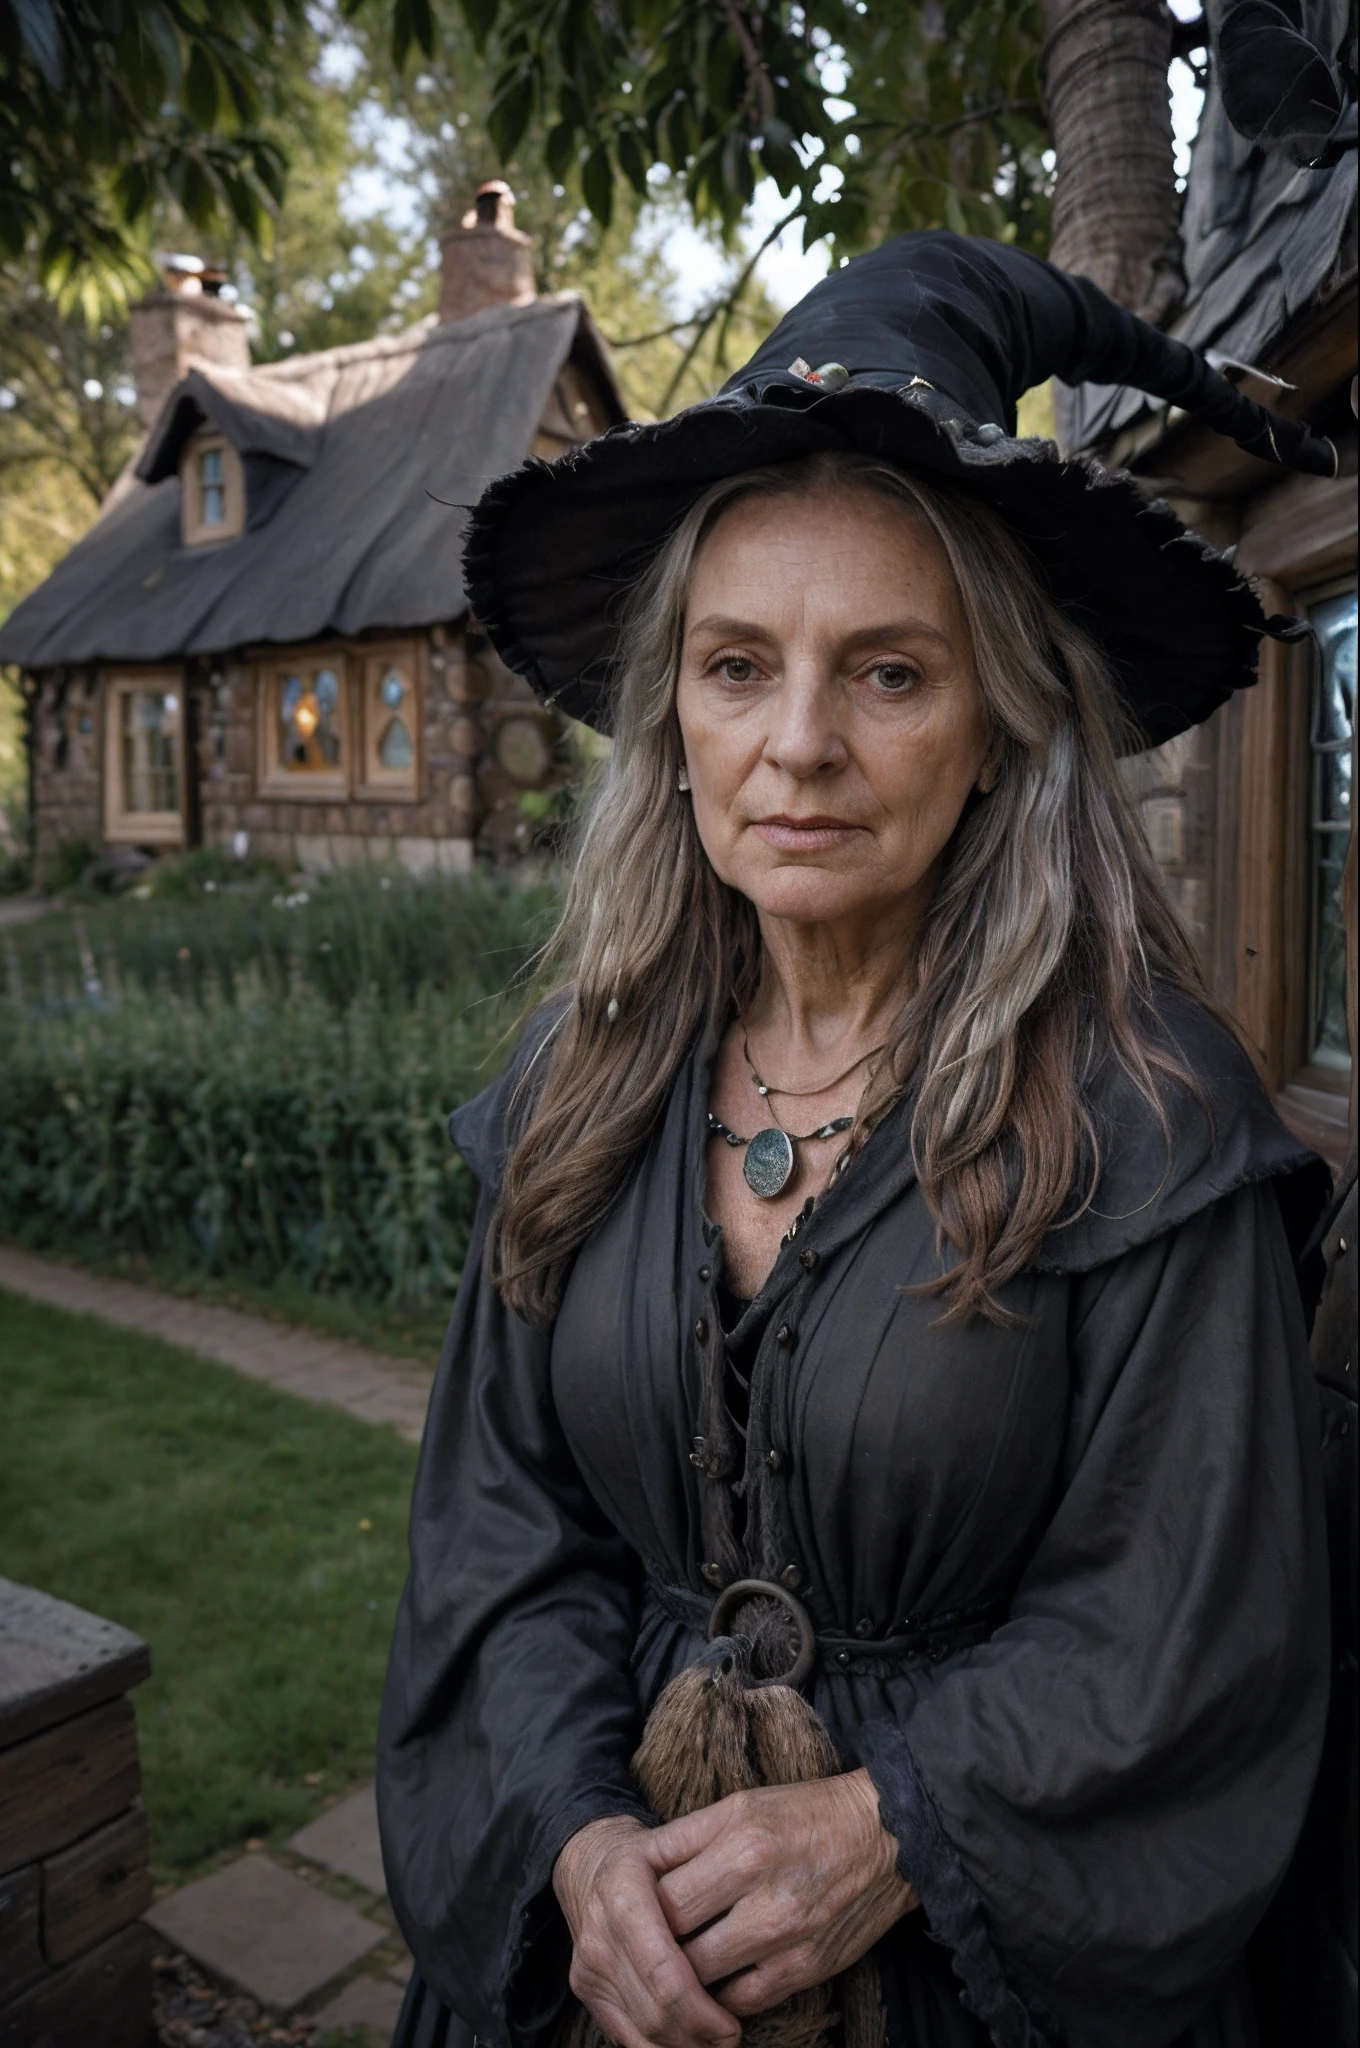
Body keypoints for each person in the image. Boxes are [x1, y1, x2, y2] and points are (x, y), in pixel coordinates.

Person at [378, 232, 1337, 2048]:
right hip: (619, 1972)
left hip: (980, 1968)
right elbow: (497, 1540)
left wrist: (894, 1829)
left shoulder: (1145, 1112)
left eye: (888, 674)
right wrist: (581, 1845)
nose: (799, 745)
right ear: (674, 723)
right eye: (741, 667)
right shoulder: (583, 1094)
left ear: (998, 732)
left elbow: (1191, 1618)